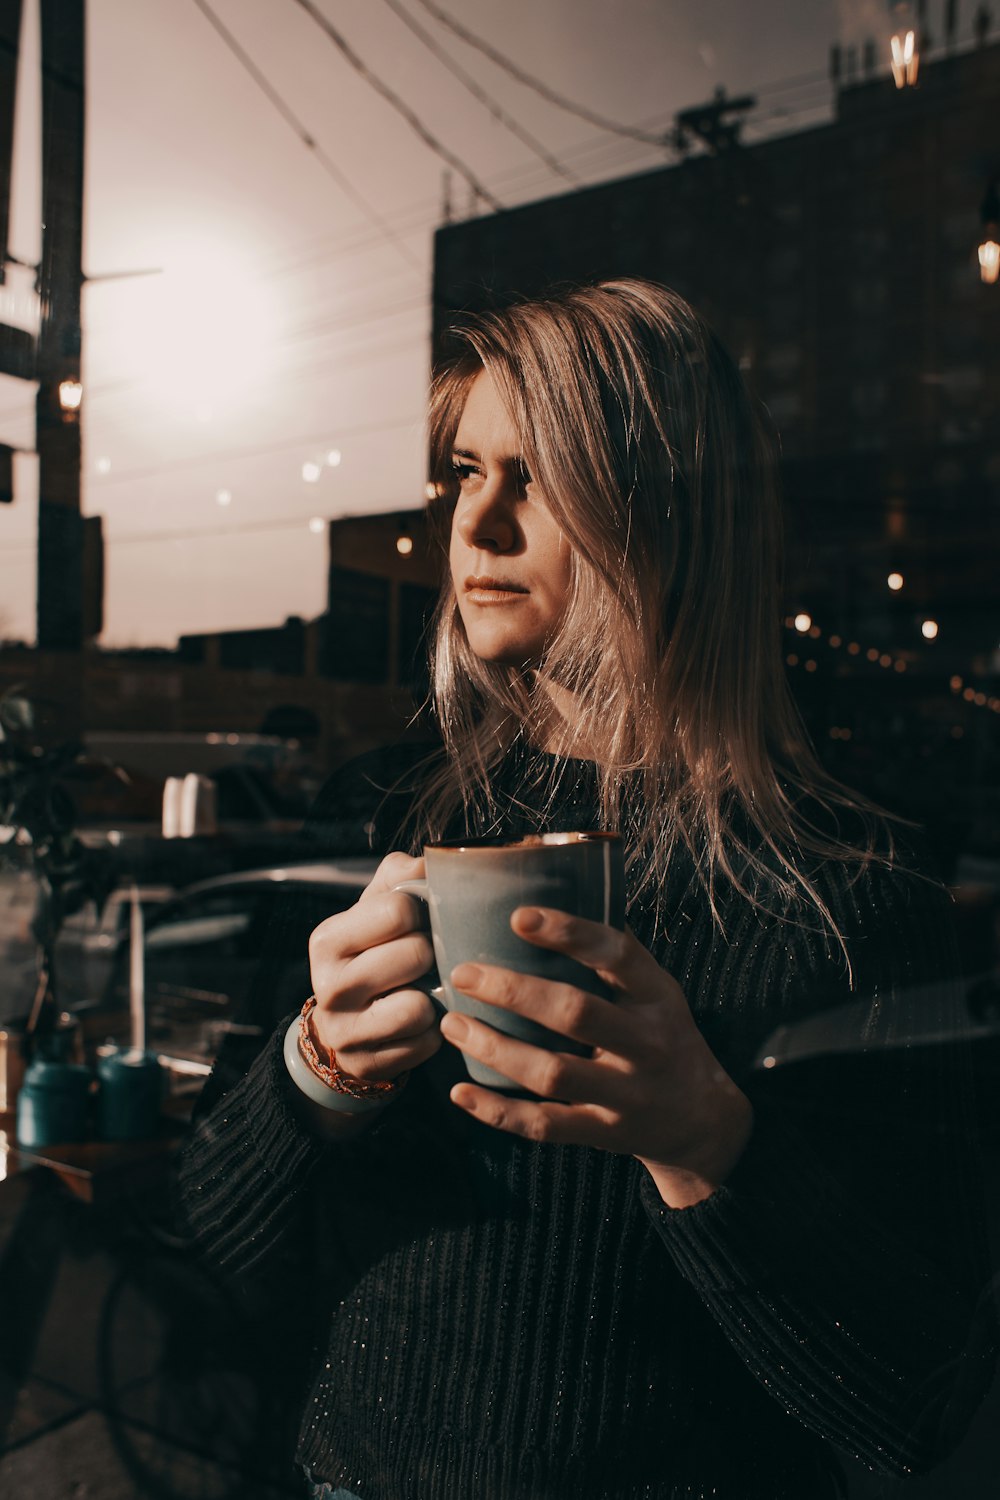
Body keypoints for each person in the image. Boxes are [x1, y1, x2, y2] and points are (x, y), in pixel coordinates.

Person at [175, 280, 996, 1500]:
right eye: (466, 470)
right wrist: (315, 1073)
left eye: (539, 475)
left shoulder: (848, 891)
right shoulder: (393, 821)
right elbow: (205, 1245)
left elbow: (912, 1398)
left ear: (671, 515)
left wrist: (706, 1144)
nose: (479, 525)